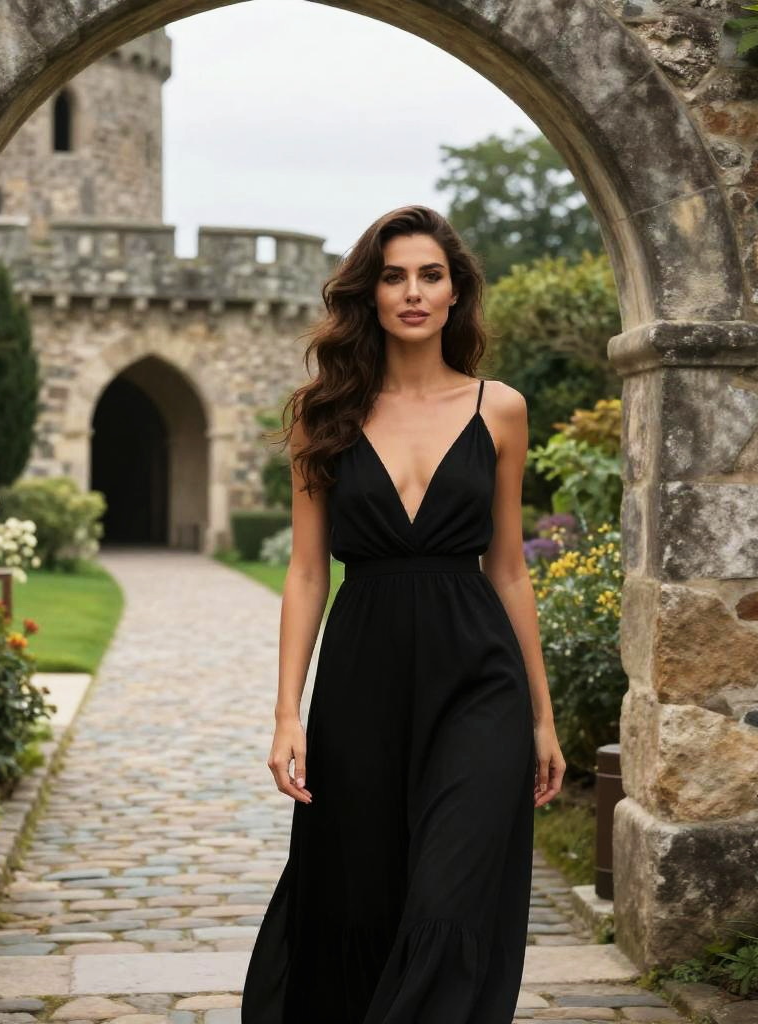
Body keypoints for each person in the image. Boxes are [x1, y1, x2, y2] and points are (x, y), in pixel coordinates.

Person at [240, 204, 565, 1023]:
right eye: (394, 277)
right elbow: (308, 572)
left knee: (451, 899)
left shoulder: (501, 409)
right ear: (371, 295)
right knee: (361, 897)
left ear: (456, 293)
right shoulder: (325, 415)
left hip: (478, 681)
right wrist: (287, 713)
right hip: (363, 680)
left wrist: (542, 715)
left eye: (430, 275)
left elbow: (508, 569)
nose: (413, 292)